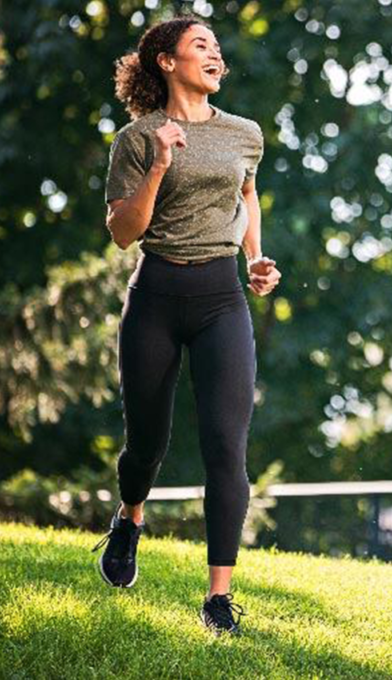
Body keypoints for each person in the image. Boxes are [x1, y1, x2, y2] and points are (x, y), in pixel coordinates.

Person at [93, 16, 280, 635]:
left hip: (221, 297)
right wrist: (159, 164)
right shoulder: (138, 138)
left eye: (217, 48)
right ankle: (129, 519)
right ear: (166, 62)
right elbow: (123, 233)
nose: (214, 54)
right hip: (156, 296)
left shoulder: (244, 133)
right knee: (147, 442)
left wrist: (254, 256)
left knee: (226, 446)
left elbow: (246, 194)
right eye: (200, 45)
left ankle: (219, 596)